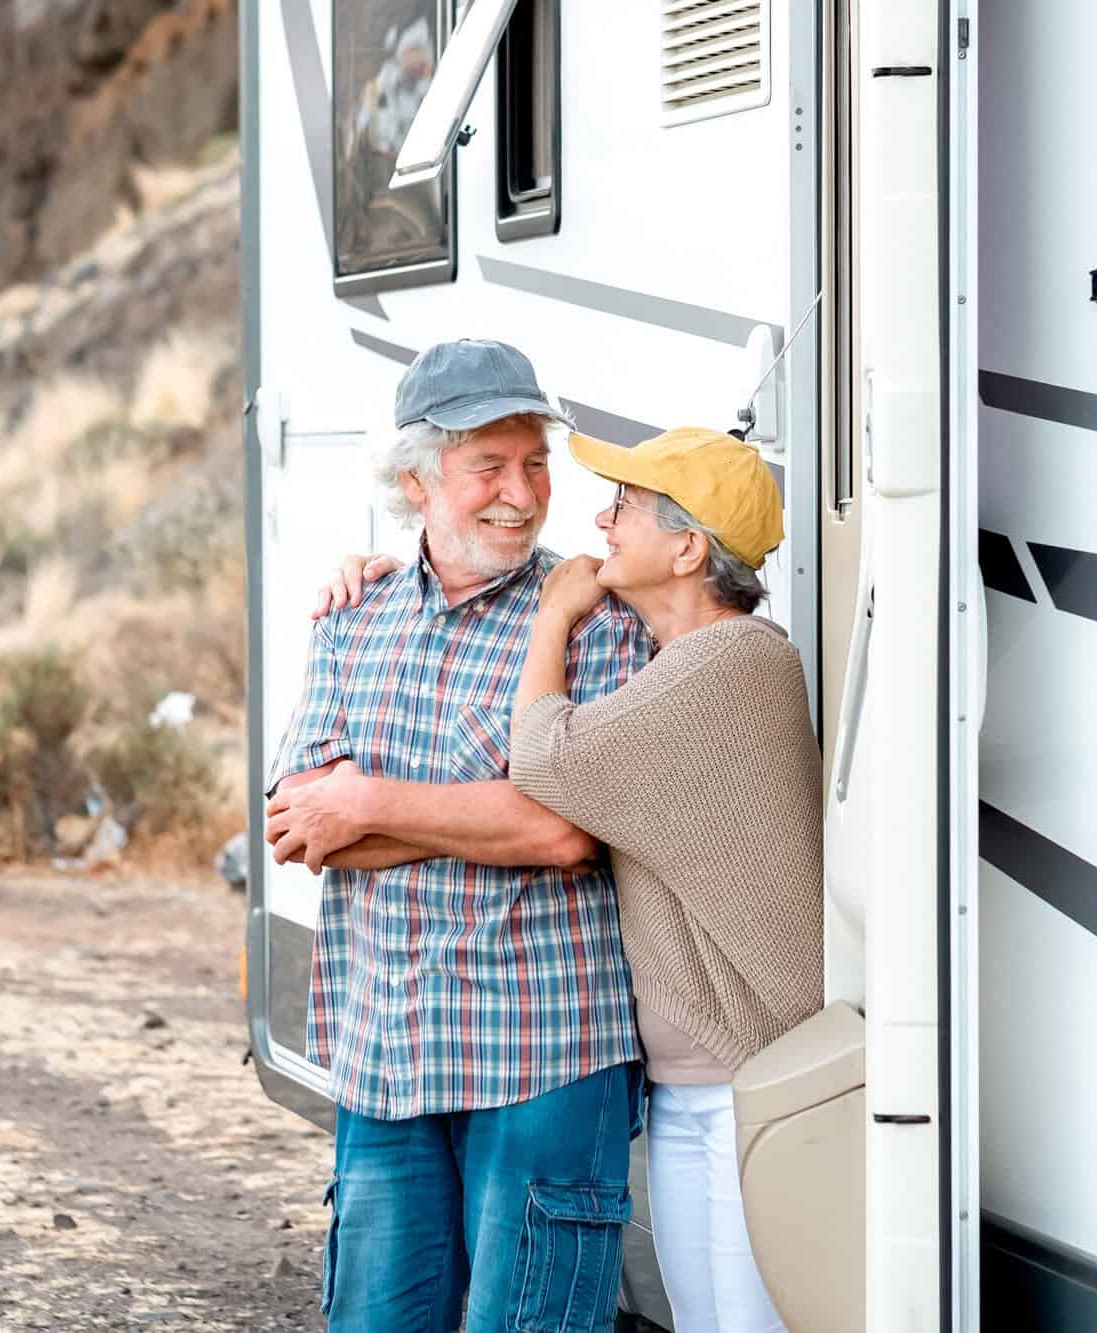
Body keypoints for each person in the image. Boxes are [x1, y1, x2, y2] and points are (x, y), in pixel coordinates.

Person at [317, 427, 824, 1333]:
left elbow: (547, 785)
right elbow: (526, 814)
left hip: (747, 1074)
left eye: (624, 506)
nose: (599, 519)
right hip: (692, 1079)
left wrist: (549, 616)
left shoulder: (734, 663)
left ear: (687, 547)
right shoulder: (673, 662)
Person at [263, 339, 651, 1333]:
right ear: (416, 480)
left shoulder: (590, 619)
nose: (520, 493)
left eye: (534, 462)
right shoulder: (352, 618)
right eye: (489, 464)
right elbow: (300, 826)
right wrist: (458, 814)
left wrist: (368, 802)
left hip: (545, 1053)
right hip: (384, 1050)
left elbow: (566, 829)